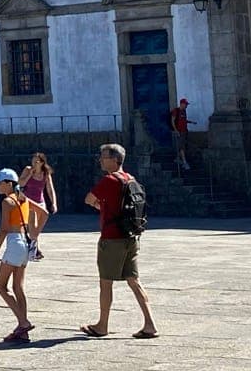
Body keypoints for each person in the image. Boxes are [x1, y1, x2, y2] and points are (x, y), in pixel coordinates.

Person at [81, 143, 157, 339]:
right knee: (134, 281)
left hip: (112, 238)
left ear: (115, 160)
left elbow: (89, 199)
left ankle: (102, 325)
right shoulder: (130, 179)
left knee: (106, 282)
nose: (100, 160)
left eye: (103, 157)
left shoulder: (109, 180)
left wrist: (100, 206)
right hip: (131, 236)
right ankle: (150, 324)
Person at [0, 168, 45, 343]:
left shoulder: (8, 201)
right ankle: (23, 332)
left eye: (0, 183)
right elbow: (44, 213)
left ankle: (23, 322)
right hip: (24, 243)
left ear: (8, 183)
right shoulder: (23, 199)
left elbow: (4, 228)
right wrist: (35, 233)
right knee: (18, 287)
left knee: (0, 285)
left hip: (14, 243)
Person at [21, 153, 57, 262]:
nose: (34, 163)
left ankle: (34, 249)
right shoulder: (27, 170)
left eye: (36, 161)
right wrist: (29, 175)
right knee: (33, 226)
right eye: (33, 160)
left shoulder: (45, 173)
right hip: (29, 202)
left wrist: (54, 203)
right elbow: (20, 183)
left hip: (41, 203)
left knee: (37, 229)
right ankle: (34, 251)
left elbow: (50, 189)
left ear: (42, 163)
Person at [170, 99, 193, 172]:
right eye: (185, 104)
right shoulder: (175, 111)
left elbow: (183, 120)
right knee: (181, 147)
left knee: (183, 146)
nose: (186, 106)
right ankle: (184, 162)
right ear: (181, 104)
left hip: (184, 131)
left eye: (186, 104)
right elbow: (172, 121)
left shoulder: (184, 111)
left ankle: (178, 158)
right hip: (179, 132)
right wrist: (176, 130)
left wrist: (190, 122)